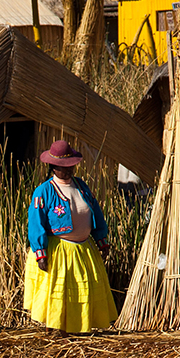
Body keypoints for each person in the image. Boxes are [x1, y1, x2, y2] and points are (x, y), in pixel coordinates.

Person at [25, 140, 116, 333]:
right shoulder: (44, 192)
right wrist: (40, 252)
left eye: (70, 166)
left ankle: (78, 329)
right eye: (62, 167)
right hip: (58, 251)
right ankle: (55, 331)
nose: (67, 171)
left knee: (81, 292)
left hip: (83, 249)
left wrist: (102, 240)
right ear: (53, 167)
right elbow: (36, 223)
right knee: (58, 294)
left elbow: (96, 212)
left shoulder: (81, 186)